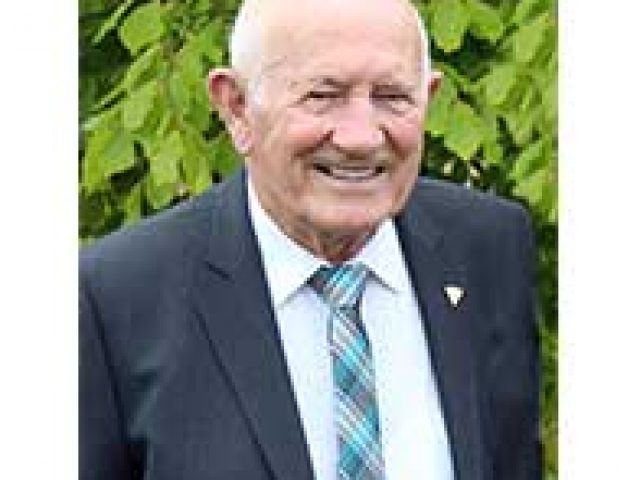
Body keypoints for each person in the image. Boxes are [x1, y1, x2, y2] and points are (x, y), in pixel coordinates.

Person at [80, 0, 541, 478]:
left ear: (429, 98)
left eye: (391, 96)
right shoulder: (119, 296)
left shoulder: (487, 249)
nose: (361, 137)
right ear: (236, 108)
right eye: (323, 96)